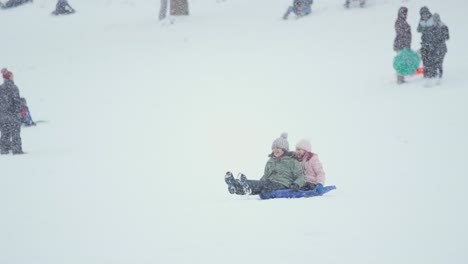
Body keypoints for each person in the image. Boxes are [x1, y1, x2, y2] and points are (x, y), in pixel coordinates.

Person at [225, 133, 306, 195]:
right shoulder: (270, 161)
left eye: (278, 148)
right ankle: (235, 185)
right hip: (269, 182)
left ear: (284, 149)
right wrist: (259, 182)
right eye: (273, 148)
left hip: (283, 184)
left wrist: (296, 184)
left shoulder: (292, 161)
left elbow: (301, 176)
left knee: (265, 185)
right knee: (261, 186)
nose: (275, 150)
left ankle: (245, 185)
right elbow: (265, 175)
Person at [0, 68, 23, 155]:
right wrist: (19, 112)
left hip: (2, 116)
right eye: (12, 76)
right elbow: (16, 102)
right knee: (15, 133)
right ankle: (16, 150)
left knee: (5, 133)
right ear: (9, 77)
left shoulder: (0, 88)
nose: (13, 77)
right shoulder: (13, 87)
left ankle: (4, 150)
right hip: (12, 115)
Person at [417, 6, 438, 84]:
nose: (424, 15)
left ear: (428, 13)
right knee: (425, 59)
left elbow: (436, 31)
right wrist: (423, 28)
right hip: (424, 43)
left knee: (432, 59)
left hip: (432, 43)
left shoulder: (433, 20)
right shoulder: (421, 21)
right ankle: (426, 73)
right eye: (422, 14)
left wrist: (428, 30)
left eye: (425, 14)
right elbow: (418, 29)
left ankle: (433, 73)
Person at [393, 7, 412, 85]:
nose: (405, 14)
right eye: (404, 13)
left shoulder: (402, 21)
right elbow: (402, 34)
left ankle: (401, 78)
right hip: (401, 45)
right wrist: (406, 44)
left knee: (403, 62)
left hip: (403, 45)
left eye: (406, 13)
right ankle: (400, 79)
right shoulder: (399, 22)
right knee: (401, 62)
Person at [431, 13, 449, 81]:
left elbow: (431, 38)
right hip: (442, 48)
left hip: (436, 47)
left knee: (435, 61)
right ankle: (439, 75)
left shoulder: (432, 26)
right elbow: (447, 37)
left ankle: (436, 75)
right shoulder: (444, 26)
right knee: (439, 62)